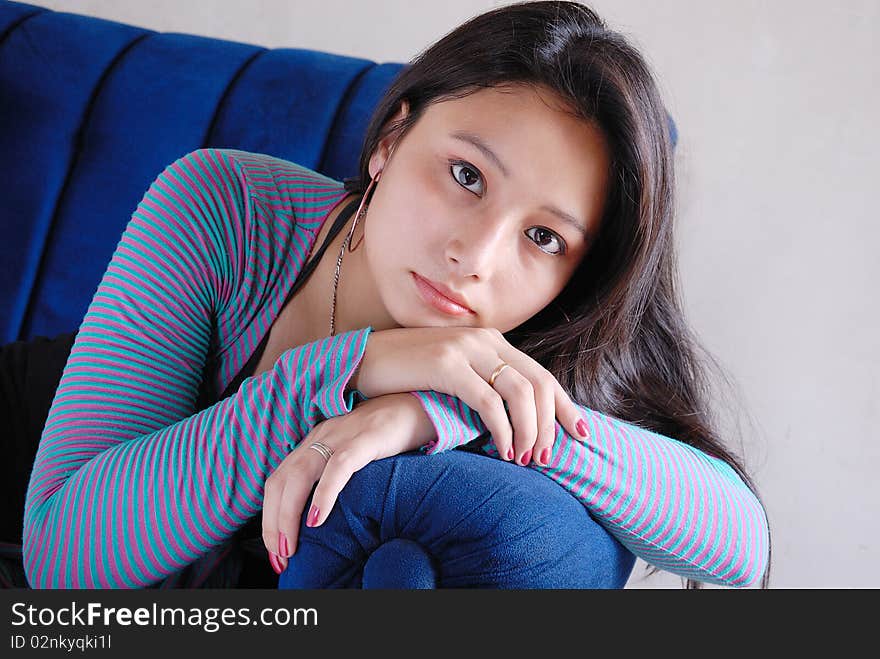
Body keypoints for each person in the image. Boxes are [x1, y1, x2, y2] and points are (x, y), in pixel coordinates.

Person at [17, 0, 770, 589]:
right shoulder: (221, 206)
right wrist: (352, 369)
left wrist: (445, 407)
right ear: (389, 141)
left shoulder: (540, 341)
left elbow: (739, 540)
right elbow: (59, 562)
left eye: (543, 238)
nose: (473, 257)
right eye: (466, 175)